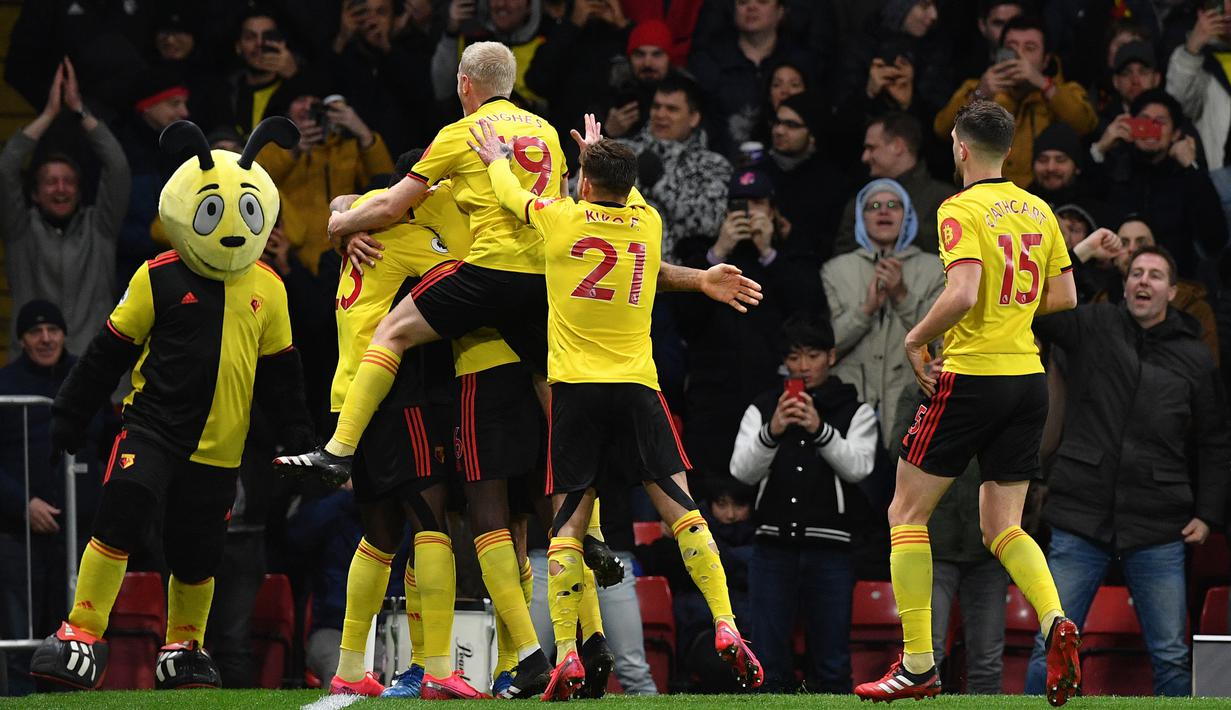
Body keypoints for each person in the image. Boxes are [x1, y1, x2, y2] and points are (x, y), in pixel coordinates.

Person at [274, 42, 759, 695]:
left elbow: (399, 207)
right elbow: (577, 200)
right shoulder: (626, 215)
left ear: (466, 85)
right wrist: (700, 274)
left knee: (466, 519)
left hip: (456, 367)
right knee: (599, 512)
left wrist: (340, 217)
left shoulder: (449, 176)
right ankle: (599, 644)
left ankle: (486, 654)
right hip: (599, 379)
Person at [468, 118, 764, 698]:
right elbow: (627, 199)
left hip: (576, 391)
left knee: (567, 529)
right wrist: (603, 163)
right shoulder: (647, 223)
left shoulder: (561, 218)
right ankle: (727, 622)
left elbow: (509, 195)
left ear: (582, 180)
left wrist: (498, 157)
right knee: (683, 511)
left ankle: (570, 656)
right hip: (637, 389)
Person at [27, 119, 311, 692]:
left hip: (222, 447)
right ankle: (81, 631)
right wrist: (70, 411)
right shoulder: (156, 277)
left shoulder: (271, 288)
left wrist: (301, 437)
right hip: (152, 429)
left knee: (200, 547)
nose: (232, 229)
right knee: (124, 506)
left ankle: (183, 645)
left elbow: (283, 374)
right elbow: (108, 352)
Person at [853, 100, 1080, 705]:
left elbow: (963, 289)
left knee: (906, 514)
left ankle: (919, 663)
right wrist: (1009, 316)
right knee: (1002, 525)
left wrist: (916, 335)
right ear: (1008, 149)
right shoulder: (1038, 209)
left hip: (972, 375)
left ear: (959, 146)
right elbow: (1063, 296)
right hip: (1027, 378)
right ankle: (1057, 617)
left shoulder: (959, 208)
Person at [1025, 245, 1231, 697]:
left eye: (1155, 275)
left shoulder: (1194, 356)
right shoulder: (1095, 325)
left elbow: (1214, 441)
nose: (1143, 281)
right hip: (1081, 513)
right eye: (1136, 273)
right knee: (1050, 647)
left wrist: (1208, 513)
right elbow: (1035, 306)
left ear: (1173, 292)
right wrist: (1075, 254)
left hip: (1158, 523)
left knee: (1172, 656)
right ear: (1124, 285)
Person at [318, 178, 480, 699]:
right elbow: (475, 260)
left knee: (380, 537)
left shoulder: (361, 239)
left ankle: (348, 669)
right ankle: (437, 668)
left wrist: (342, 221)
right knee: (432, 528)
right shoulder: (409, 239)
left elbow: (345, 204)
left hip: (348, 398)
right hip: (393, 400)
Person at [728, 312, 877, 692]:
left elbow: (859, 468)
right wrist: (773, 430)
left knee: (831, 665)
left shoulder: (853, 409)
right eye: (794, 357)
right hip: (771, 547)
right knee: (768, 665)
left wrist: (820, 430)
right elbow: (741, 471)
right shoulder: (764, 407)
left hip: (831, 551)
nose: (803, 366)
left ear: (831, 356)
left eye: (812, 355)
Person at [0, 301, 104, 695]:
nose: (45, 338)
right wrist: (22, 504)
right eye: (35, 331)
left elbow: (108, 443)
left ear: (64, 333)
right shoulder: (4, 384)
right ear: (22, 339)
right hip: (16, 536)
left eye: (52, 330)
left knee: (74, 647)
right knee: (20, 644)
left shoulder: (87, 377)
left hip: (80, 539)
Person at [0, 58, 130, 359]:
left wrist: (80, 111)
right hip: (30, 364)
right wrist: (49, 114)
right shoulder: (20, 228)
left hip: (92, 365)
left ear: (79, 190)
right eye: (51, 182)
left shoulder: (100, 227)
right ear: (34, 193)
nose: (60, 189)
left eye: (68, 181)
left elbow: (118, 167)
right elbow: (6, 168)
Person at [822, 178, 944, 447]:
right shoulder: (835, 270)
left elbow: (942, 340)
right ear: (860, 217)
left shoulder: (935, 269)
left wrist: (902, 296)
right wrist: (865, 310)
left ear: (908, 215)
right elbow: (827, 348)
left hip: (912, 404)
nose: (884, 211)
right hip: (850, 406)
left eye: (893, 205)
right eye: (873, 206)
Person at [933, 15, 1097, 187]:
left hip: (1040, 201)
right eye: (1012, 47)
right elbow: (942, 130)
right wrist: (980, 94)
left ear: (1046, 60)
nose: (1019, 56)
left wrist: (1043, 84)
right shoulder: (976, 88)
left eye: (1029, 48)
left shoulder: (1064, 91)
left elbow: (1084, 126)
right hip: (987, 197)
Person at [256, 82, 393, 273]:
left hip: (341, 253)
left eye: (316, 102)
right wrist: (293, 150)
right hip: (291, 258)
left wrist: (364, 134)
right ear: (287, 109)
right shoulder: (274, 145)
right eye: (301, 100)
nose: (308, 107)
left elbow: (385, 181)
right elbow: (260, 181)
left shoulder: (347, 147)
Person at [1091, 89, 1227, 279]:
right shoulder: (1115, 169)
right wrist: (1100, 149)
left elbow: (1215, 240)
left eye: (1160, 122)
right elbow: (1084, 207)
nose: (1151, 128)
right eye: (1144, 120)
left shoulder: (1187, 178)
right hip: (1116, 285)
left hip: (1177, 287)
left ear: (1175, 133)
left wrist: (1192, 168)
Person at [619, 75, 733, 262]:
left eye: (672, 109)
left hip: (676, 277)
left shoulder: (712, 165)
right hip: (615, 265)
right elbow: (579, 193)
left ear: (694, 118)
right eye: (656, 107)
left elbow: (711, 222)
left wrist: (658, 185)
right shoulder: (623, 151)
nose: (661, 114)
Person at [687, 0, 813, 157]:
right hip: (721, 164)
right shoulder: (709, 60)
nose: (751, 7)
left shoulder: (800, 62)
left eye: (762, 1)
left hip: (786, 166)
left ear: (781, 11)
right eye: (742, 2)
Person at [328, 0, 438, 157]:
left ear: (395, 18)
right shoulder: (348, 55)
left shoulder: (415, 47)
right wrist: (342, 38)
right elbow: (327, 86)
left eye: (381, 12)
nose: (372, 20)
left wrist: (386, 47)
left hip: (411, 158)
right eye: (365, 13)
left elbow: (420, 95)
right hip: (362, 159)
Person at [833, 112, 952, 256]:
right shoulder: (860, 203)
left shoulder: (946, 201)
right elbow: (841, 262)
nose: (864, 157)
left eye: (871, 148)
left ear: (897, 146)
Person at [762, 92, 849, 264]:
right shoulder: (758, 173)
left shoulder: (832, 183)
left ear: (812, 135)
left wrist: (791, 235)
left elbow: (832, 244)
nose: (779, 131)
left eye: (791, 125)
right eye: (777, 122)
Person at [430, 0, 549, 114]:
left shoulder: (546, 44)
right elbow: (442, 91)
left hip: (530, 131)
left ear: (530, 5)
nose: (501, 4)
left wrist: (529, 106)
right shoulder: (471, 42)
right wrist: (451, 33)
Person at [226, 8, 304, 137]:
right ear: (238, 47)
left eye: (268, 36)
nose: (260, 43)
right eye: (250, 37)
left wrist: (295, 76)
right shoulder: (226, 92)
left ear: (282, 43)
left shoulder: (298, 90)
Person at [602, 20, 674, 140]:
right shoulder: (611, 95)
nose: (647, 63)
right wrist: (607, 132)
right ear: (629, 58)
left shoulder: (686, 97)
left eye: (656, 55)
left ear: (669, 59)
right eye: (639, 55)